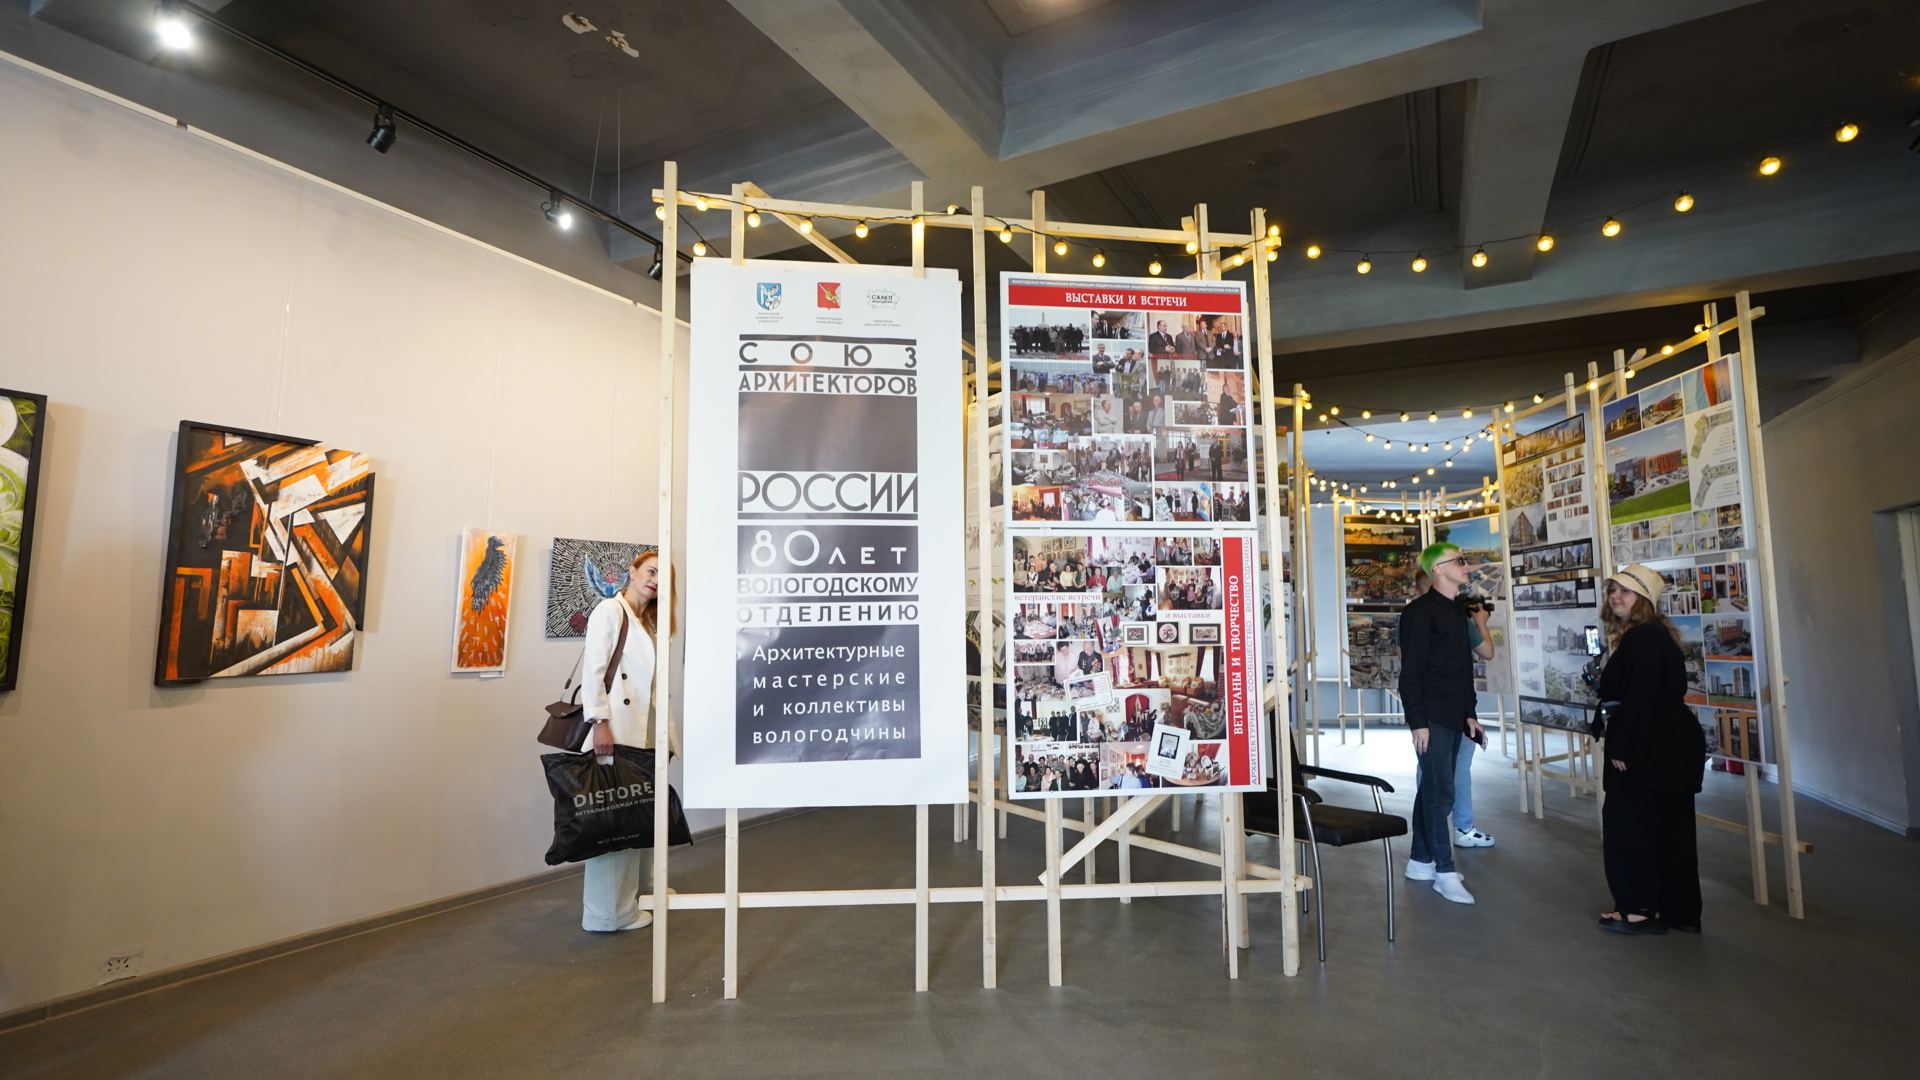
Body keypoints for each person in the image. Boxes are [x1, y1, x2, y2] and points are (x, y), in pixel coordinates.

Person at [1595, 563, 1707, 935]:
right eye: (1613, 590)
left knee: (1629, 826)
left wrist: (1624, 748)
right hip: (1670, 742)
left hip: (1651, 744)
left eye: (1625, 591)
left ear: (1643, 599)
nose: (1616, 596)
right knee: (1671, 831)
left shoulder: (1643, 638)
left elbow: (1639, 697)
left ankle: (1639, 909)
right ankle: (1679, 911)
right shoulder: (1655, 634)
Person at [579, 551, 678, 932]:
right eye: (651, 571)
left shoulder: (648, 621)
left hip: (646, 733)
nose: (655, 580)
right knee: (616, 820)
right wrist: (599, 724)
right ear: (632, 572)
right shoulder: (610, 610)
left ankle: (645, 890)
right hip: (617, 731)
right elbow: (594, 672)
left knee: (641, 815)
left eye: (663, 577)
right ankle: (609, 914)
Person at [1397, 542, 1485, 904]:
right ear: (1438, 570)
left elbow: (1463, 670)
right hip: (1432, 717)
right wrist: (1418, 722)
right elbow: (1411, 672)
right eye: (1459, 561)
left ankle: (1420, 860)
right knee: (1441, 793)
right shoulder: (1419, 613)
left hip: (1453, 715)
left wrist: (1470, 714)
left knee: (1433, 791)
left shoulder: (1457, 611)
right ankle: (1444, 871)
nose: (1466, 565)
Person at [1406, 568, 1499, 849]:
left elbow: (1407, 662)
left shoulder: (1413, 615)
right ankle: (1455, 835)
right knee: (1451, 778)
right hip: (1444, 712)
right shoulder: (1444, 615)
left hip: (1440, 710)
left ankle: (1426, 853)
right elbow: (1487, 651)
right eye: (1459, 562)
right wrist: (1480, 621)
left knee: (1432, 781)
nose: (1465, 568)